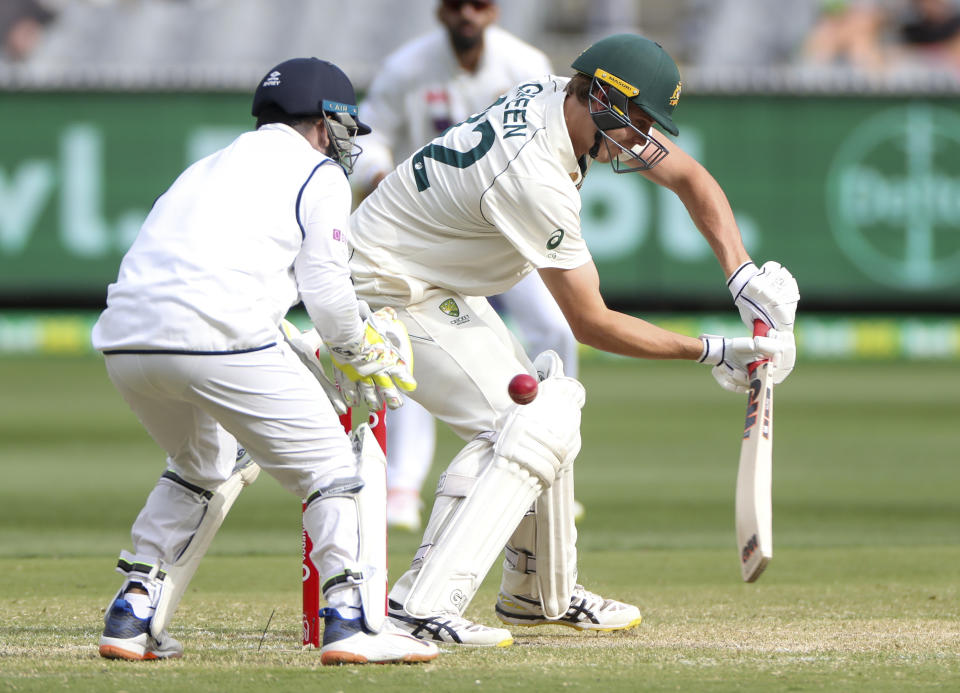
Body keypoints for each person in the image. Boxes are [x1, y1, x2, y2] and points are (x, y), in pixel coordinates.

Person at [344, 33, 799, 647]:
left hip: (429, 277)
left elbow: (689, 176)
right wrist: (715, 350)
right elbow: (593, 323)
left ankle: (539, 595)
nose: (642, 140)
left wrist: (741, 275)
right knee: (523, 423)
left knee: (550, 408)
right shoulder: (533, 172)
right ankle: (419, 603)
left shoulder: (567, 97)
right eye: (637, 122)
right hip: (385, 290)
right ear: (605, 99)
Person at [90, 57, 438, 665]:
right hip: (216, 338)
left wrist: (296, 339)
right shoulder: (318, 174)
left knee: (203, 462)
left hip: (125, 340)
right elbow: (328, 293)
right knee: (331, 468)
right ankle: (350, 621)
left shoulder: (205, 167)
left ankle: (133, 609)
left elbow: (196, 271)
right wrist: (358, 348)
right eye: (344, 126)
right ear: (326, 122)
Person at [354, 0, 579, 531]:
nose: (467, 15)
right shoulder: (407, 68)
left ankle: (553, 468)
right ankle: (403, 488)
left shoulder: (524, 63)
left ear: (493, 12)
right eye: (457, 5)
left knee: (555, 325)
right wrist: (378, 173)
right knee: (407, 348)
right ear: (441, 12)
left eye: (478, 5)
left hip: (505, 231)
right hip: (427, 237)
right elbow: (369, 135)